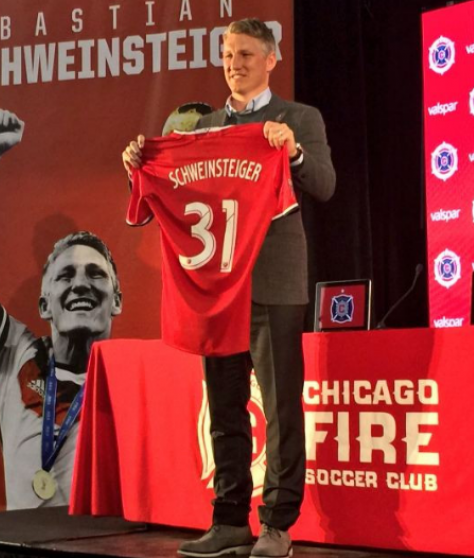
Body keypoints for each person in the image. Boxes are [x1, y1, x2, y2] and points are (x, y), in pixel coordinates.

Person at [122, 18, 335, 558]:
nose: (233, 64)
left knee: (280, 408)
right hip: (217, 286)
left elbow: (325, 185)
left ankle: (277, 524)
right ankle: (229, 519)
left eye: (244, 54)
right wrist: (140, 168)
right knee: (224, 406)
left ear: (271, 59)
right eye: (227, 54)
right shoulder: (205, 127)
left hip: (272, 282)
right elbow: (171, 195)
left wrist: (294, 152)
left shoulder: (298, 118)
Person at [0, 109, 123, 510]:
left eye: (96, 274)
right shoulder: (15, 354)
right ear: (44, 304)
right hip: (22, 542)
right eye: (66, 276)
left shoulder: (134, 379)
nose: (80, 284)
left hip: (105, 541)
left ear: (116, 300)